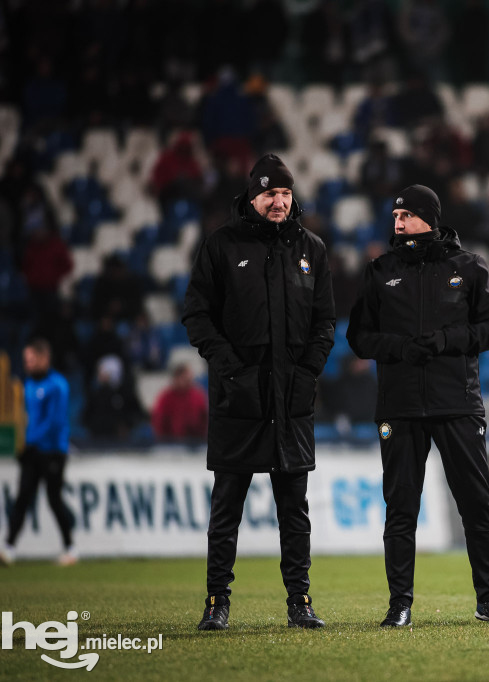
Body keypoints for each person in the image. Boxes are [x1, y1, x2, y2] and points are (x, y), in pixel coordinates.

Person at [347, 184, 489, 627]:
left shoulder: (468, 268)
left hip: (458, 405)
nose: (398, 223)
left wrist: (448, 340)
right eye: (395, 217)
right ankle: (399, 605)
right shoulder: (380, 270)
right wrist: (400, 348)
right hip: (400, 407)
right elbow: (358, 338)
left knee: (476, 505)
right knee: (401, 508)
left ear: (428, 217)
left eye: (406, 216)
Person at [183, 153, 336, 631]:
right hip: (238, 401)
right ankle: (216, 603)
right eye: (271, 193)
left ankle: (300, 603)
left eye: (286, 193)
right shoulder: (221, 245)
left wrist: (308, 372)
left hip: (291, 402)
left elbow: (325, 321)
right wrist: (229, 368)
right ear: (253, 198)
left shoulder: (312, 248)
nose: (280, 201)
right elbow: (196, 313)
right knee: (226, 508)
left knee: (295, 513)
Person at [0, 339, 75, 567]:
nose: (27, 363)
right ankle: (9, 548)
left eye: (31, 359)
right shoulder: (28, 385)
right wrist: (26, 444)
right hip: (33, 451)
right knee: (22, 499)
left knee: (54, 499)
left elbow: (54, 422)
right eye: (25, 359)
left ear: (44, 358)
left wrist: (30, 443)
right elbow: (30, 420)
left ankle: (70, 548)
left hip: (53, 451)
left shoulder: (58, 385)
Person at [151, 363, 208, 441]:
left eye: (190, 380)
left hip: (195, 442)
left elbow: (204, 420)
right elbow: (159, 422)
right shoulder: (165, 398)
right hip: (169, 442)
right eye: (185, 379)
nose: (189, 382)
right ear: (176, 378)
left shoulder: (198, 396)